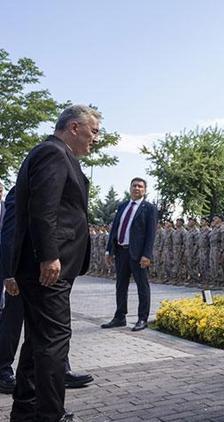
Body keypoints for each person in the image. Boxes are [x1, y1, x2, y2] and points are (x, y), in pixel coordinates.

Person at [10, 105, 99, 422]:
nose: (95, 139)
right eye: (94, 131)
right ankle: (50, 414)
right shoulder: (53, 153)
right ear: (74, 127)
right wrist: (49, 255)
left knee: (38, 340)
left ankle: (25, 410)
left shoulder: (54, 153)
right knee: (54, 342)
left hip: (43, 268)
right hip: (47, 269)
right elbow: (43, 208)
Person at [0, 187, 93, 394]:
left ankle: (60, 370)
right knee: (13, 321)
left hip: (52, 274)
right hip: (23, 271)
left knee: (54, 325)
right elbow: (9, 234)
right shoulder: (23, 190)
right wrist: (9, 273)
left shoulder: (60, 191)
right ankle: (2, 370)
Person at [101, 178, 158, 332]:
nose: (136, 188)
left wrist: (147, 255)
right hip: (121, 252)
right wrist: (109, 250)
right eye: (134, 186)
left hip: (139, 255)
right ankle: (120, 317)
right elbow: (114, 230)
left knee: (142, 286)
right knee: (120, 285)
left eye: (140, 186)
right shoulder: (122, 206)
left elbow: (150, 234)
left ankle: (142, 319)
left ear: (144, 190)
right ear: (130, 188)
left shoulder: (149, 208)